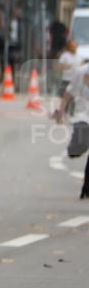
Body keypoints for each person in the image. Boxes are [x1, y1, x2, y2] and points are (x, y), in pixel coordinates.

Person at [53, 64, 89, 200]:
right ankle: (73, 149)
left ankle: (87, 188)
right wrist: (61, 111)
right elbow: (70, 92)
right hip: (83, 115)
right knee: (80, 146)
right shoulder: (81, 72)